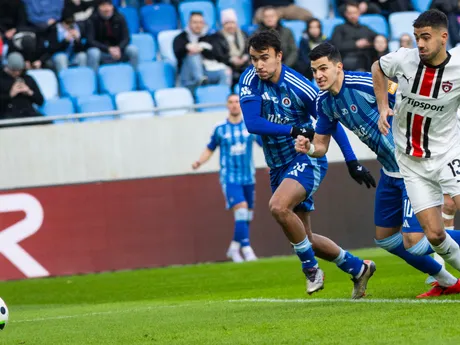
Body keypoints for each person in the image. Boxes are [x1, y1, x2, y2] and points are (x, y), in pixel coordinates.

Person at [295, 42, 460, 297]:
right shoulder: (324, 103)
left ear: (338, 67)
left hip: (412, 168)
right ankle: (447, 281)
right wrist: (308, 148)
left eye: (323, 68)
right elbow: (321, 145)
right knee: (386, 239)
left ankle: (444, 257)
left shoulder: (365, 83)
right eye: (314, 70)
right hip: (389, 171)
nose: (318, 75)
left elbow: (409, 95)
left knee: (416, 244)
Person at [239, 30, 376, 299]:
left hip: (305, 159)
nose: (258, 65)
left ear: (279, 56)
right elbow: (252, 123)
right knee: (307, 239)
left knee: (278, 206)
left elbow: (330, 120)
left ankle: (311, 270)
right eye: (254, 59)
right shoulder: (249, 80)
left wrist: (351, 161)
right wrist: (293, 130)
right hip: (278, 166)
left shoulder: (300, 86)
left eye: (264, 58)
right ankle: (359, 268)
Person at [373, 10, 460, 290]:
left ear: (443, 37)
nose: (420, 44)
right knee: (433, 235)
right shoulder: (403, 59)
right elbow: (377, 68)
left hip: (447, 153)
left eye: (426, 37)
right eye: (417, 38)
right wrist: (383, 105)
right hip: (410, 163)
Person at [192, 94, 261, 263]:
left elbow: (263, 144)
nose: (234, 105)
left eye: (237, 102)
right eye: (231, 102)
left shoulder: (250, 126)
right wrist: (199, 161)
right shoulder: (220, 128)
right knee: (242, 209)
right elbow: (210, 148)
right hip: (230, 177)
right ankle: (247, 249)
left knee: (246, 216)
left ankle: (234, 248)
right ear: (227, 105)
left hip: (248, 177)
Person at [173, 12, 228, 91]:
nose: (198, 25)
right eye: (195, 22)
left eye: (200, 22)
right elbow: (177, 55)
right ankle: (200, 79)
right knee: (193, 54)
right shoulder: (181, 38)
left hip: (206, 70)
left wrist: (202, 50)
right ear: (189, 23)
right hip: (187, 74)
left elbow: (217, 55)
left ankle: (223, 95)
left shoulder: (209, 37)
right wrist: (187, 48)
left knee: (222, 73)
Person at [86, 0, 138, 71]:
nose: (107, 9)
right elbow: (90, 41)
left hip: (119, 50)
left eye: (109, 5)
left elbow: (126, 38)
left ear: (112, 7)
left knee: (133, 50)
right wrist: (108, 49)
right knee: (93, 53)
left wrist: (119, 48)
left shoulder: (120, 17)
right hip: (102, 51)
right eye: (103, 6)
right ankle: (94, 78)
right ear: (98, 8)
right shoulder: (92, 20)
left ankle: (135, 75)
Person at [331, 1, 376, 71]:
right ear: (346, 14)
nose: (353, 15)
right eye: (350, 13)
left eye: (355, 13)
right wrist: (356, 44)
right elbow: (336, 46)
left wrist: (371, 43)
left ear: (359, 13)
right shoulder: (339, 28)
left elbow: (378, 37)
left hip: (366, 58)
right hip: (348, 59)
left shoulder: (365, 28)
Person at [0, 52, 44, 124]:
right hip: (9, 114)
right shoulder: (2, 80)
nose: (17, 73)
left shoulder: (28, 79)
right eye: (14, 70)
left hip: (28, 113)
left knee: (46, 122)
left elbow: (40, 101)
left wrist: (29, 92)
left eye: (19, 70)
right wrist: (10, 94)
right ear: (7, 67)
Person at [212, 9, 249, 89]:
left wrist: (245, 57)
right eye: (227, 23)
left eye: (232, 23)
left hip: (244, 65)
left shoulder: (243, 34)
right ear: (223, 25)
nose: (230, 26)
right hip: (227, 65)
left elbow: (248, 49)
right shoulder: (217, 37)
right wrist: (231, 59)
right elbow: (218, 55)